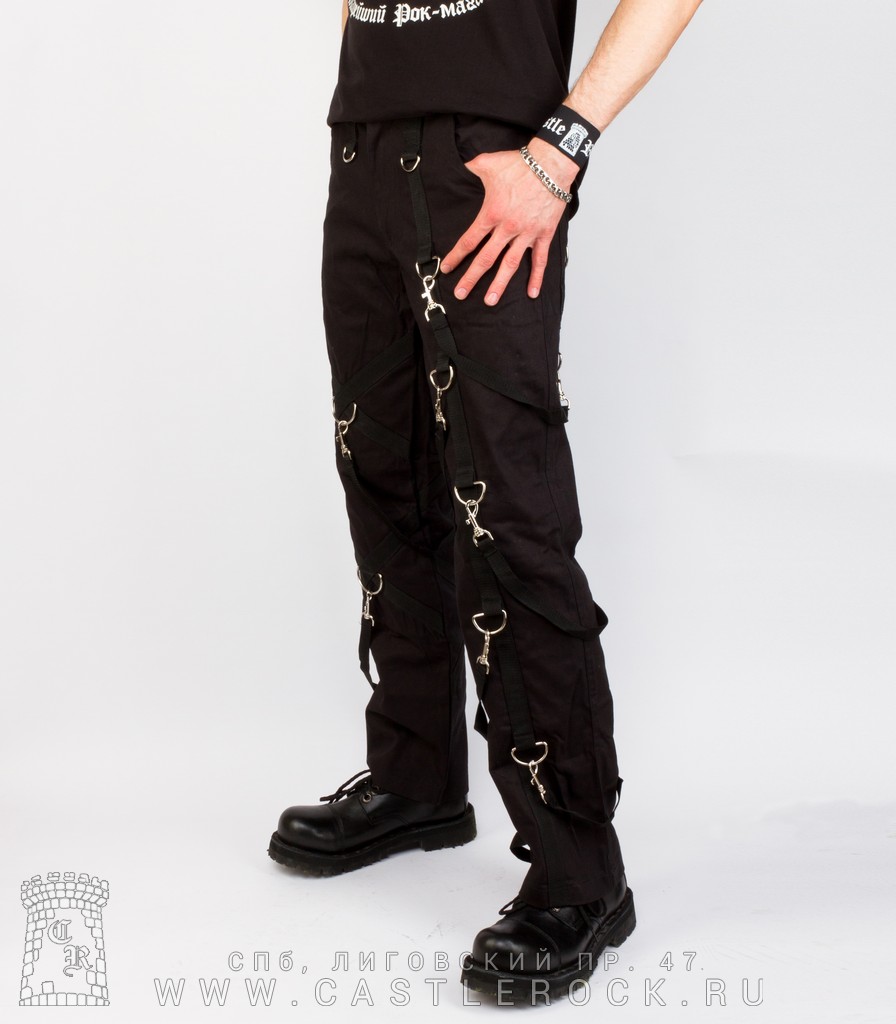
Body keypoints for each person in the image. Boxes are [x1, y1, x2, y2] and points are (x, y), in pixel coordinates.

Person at [268, 0, 702, 1005]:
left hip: (487, 157)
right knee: (384, 476)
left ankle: (580, 872)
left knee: (504, 511)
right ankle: (415, 777)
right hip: (362, 142)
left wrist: (563, 144)